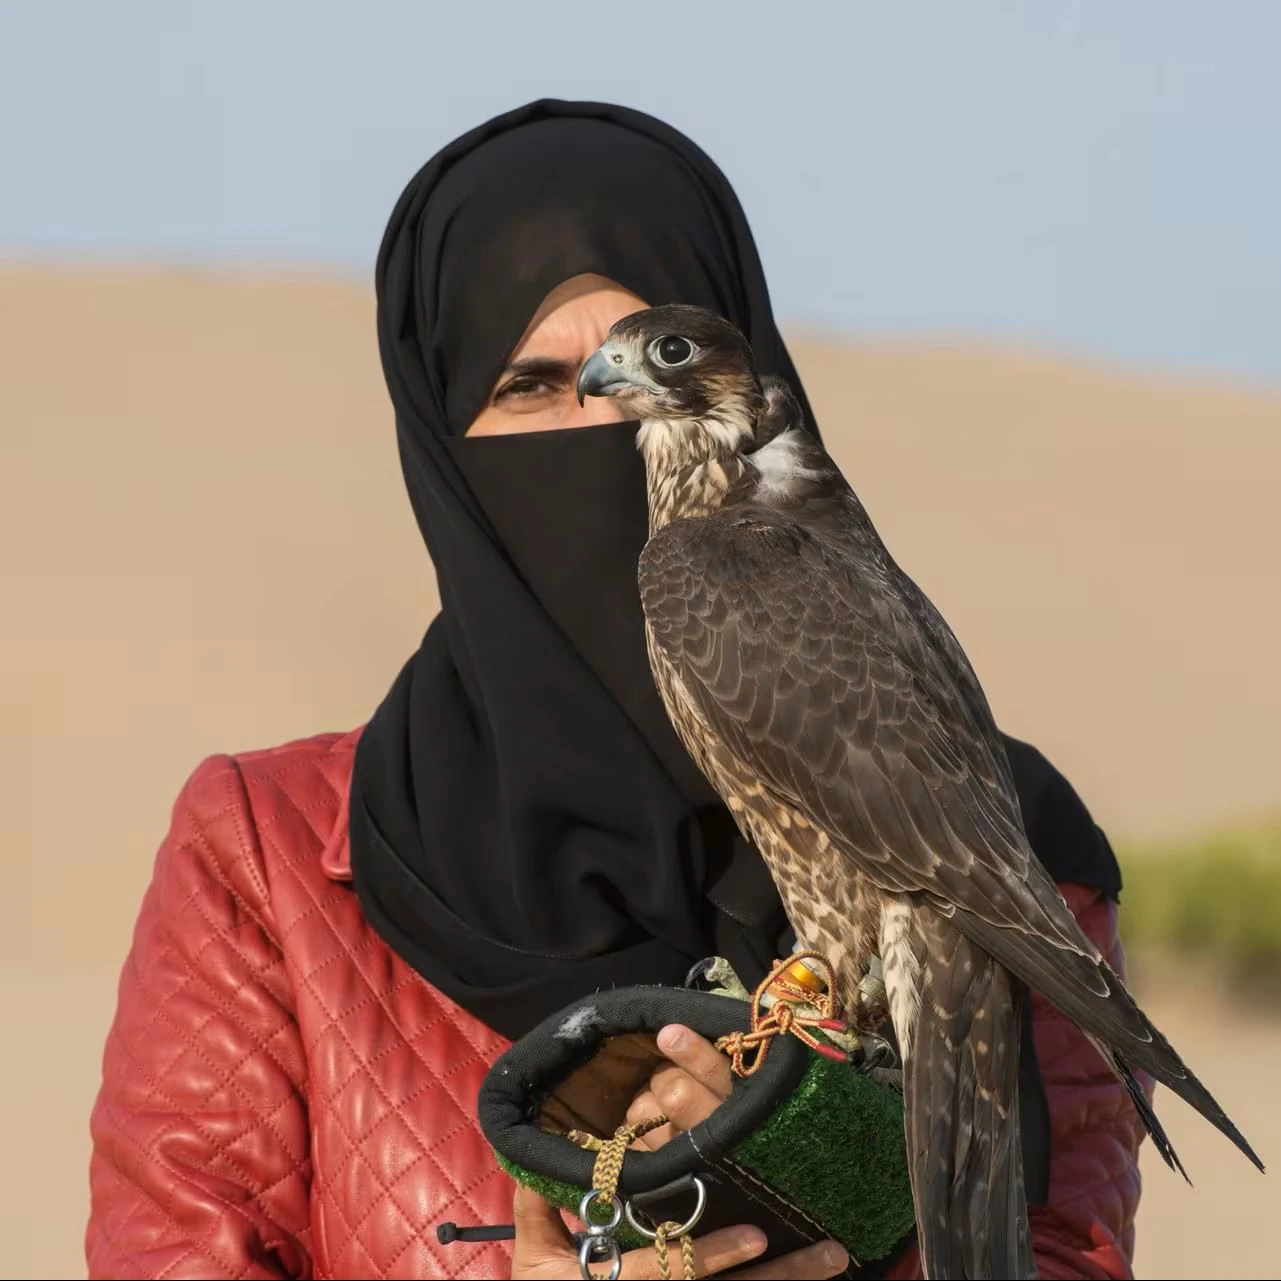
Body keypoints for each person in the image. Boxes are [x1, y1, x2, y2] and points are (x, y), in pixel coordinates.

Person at [85, 99, 1150, 1281]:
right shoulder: (270, 863)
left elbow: (1057, 1254)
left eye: (656, 364)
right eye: (533, 386)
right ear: (442, 441)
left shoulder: (1018, 833)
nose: (603, 420)